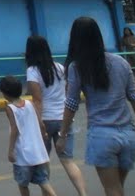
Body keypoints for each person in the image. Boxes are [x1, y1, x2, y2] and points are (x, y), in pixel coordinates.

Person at [58, 16, 135, 196]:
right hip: (128, 136)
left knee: (113, 190)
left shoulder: (77, 67)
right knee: (117, 187)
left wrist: (62, 135)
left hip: (102, 136)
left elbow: (71, 103)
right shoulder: (121, 62)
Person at [24, 35, 88, 196]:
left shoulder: (32, 71)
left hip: (45, 119)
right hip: (63, 119)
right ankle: (83, 193)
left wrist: (39, 124)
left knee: (43, 162)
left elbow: (37, 100)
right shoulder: (59, 67)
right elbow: (66, 92)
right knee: (67, 160)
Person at [0, 74, 58, 196]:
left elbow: (15, 130)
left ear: (5, 93)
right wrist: (44, 134)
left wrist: (10, 151)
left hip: (23, 155)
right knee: (43, 181)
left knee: (23, 184)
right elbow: (41, 123)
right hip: (37, 153)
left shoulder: (10, 108)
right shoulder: (30, 103)